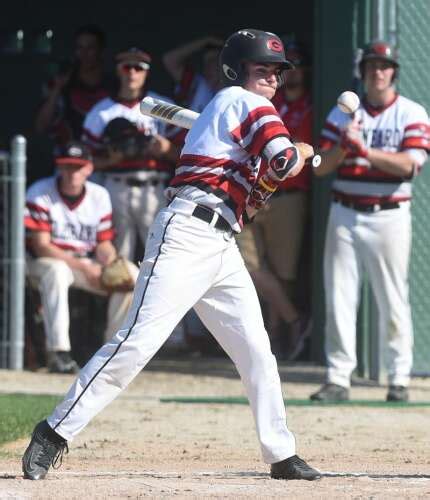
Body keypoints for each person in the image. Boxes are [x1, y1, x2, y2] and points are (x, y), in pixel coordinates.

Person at [22, 29, 320, 482]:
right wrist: (300, 149)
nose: (273, 79)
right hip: (186, 234)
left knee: (256, 350)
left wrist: (264, 177)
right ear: (237, 71)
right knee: (137, 340)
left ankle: (281, 453)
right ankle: (53, 431)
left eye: (277, 72)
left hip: (222, 241)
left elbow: (256, 196)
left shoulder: (229, 113)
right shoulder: (245, 101)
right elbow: (282, 162)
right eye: (263, 69)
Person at [310, 41, 430, 403]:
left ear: (394, 71)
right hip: (345, 210)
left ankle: (398, 378)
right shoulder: (343, 113)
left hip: (389, 213)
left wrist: (366, 152)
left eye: (385, 65)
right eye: (372, 66)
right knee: (339, 295)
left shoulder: (411, 112)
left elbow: (410, 165)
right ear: (362, 72)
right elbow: (321, 168)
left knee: (392, 297)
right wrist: (344, 148)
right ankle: (338, 378)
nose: (378, 72)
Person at [25, 141, 139, 374]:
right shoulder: (41, 191)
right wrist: (87, 269)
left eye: (77, 167)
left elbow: (103, 243)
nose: (71, 173)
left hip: (84, 262)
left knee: (132, 277)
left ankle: (111, 354)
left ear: (88, 168)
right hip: (42, 263)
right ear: (59, 167)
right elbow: (41, 246)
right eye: (66, 167)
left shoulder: (99, 195)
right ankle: (59, 353)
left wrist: (109, 263)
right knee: (57, 272)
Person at [235, 40, 313, 360]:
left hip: (287, 196)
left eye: (290, 69)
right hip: (251, 193)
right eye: (279, 71)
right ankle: (294, 322)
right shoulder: (265, 103)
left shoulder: (310, 105)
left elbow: (294, 157)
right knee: (249, 266)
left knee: (283, 274)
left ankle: (277, 340)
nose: (284, 78)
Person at [82, 47, 179, 262]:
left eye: (139, 67)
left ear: (146, 72)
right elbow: (84, 161)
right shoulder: (101, 111)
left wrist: (167, 150)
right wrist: (110, 160)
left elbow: (188, 155)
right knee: (120, 260)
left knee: (161, 256)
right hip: (117, 186)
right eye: (127, 67)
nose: (132, 73)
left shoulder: (162, 106)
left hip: (154, 187)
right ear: (119, 71)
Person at [35, 25, 112, 150]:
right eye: (80, 48)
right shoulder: (62, 83)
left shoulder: (114, 85)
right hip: (68, 159)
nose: (84, 53)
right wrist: (58, 87)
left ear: (101, 51)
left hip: (105, 158)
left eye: (90, 48)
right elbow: (41, 126)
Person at [163, 35, 224, 113]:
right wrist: (205, 41)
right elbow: (169, 59)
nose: (208, 67)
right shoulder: (195, 83)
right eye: (206, 63)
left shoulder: (236, 89)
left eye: (212, 61)